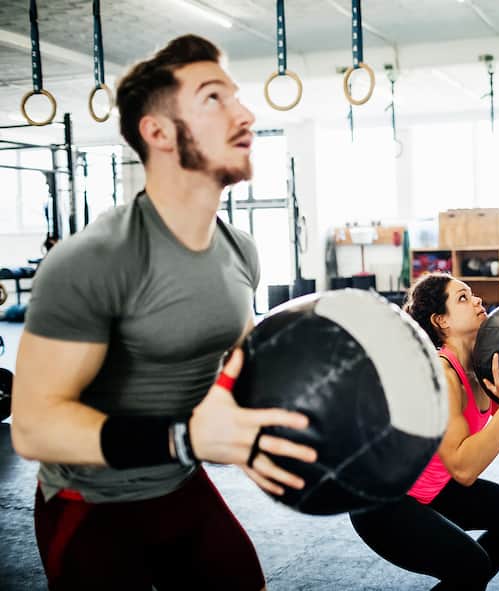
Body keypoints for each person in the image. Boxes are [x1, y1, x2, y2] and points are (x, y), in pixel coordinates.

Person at [11, 35, 317, 590]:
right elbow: (33, 427)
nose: (244, 112)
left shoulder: (239, 249)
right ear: (157, 132)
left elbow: (243, 367)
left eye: (237, 97)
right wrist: (183, 438)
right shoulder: (95, 260)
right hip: (92, 502)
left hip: (180, 487)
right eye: (213, 98)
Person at [350, 273, 499, 590]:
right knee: (471, 565)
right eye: (463, 298)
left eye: (473, 294)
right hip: (382, 502)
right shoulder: (441, 374)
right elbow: (464, 469)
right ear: (441, 321)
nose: (478, 300)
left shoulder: (481, 367)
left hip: (430, 489)